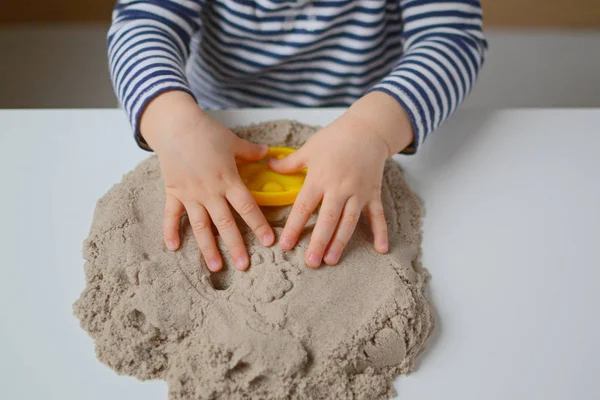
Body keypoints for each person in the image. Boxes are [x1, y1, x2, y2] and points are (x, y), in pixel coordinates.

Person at [108, 0, 487, 271]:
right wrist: (174, 123)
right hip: (217, 117)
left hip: (361, 116)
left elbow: (451, 38)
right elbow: (142, 24)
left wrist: (373, 130)